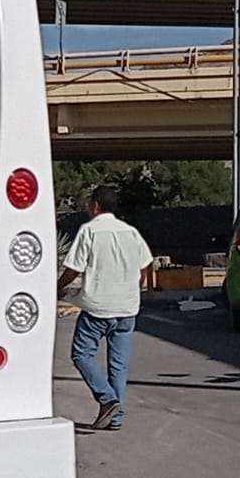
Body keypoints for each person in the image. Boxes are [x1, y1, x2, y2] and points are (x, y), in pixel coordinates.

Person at [56, 184, 154, 431]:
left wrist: (56, 287)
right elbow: (145, 265)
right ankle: (115, 418)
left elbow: (74, 268)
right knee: (118, 366)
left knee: (81, 354)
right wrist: (133, 287)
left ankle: (107, 399)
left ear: (96, 205)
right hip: (127, 308)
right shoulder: (130, 232)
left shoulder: (90, 230)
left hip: (98, 308)